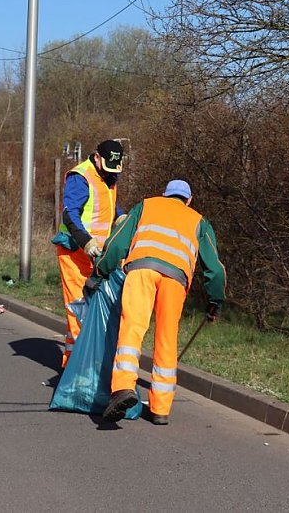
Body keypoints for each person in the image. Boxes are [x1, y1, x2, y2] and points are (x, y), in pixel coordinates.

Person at [86, 179, 226, 425]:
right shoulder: (199, 221)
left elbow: (118, 242)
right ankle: (161, 408)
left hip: (141, 271)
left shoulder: (146, 206)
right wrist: (215, 302)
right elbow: (215, 270)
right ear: (189, 200)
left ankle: (123, 388)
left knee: (132, 328)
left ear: (164, 194)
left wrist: (99, 272)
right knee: (166, 338)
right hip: (176, 280)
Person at [52, 139, 125, 369]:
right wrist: (87, 242)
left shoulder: (108, 177)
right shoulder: (80, 177)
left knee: (95, 310)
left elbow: (106, 206)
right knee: (78, 308)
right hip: (75, 252)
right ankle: (78, 368)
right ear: (96, 158)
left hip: (98, 257)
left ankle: (79, 363)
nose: (111, 174)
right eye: (107, 168)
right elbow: (69, 214)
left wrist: (120, 217)